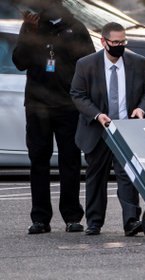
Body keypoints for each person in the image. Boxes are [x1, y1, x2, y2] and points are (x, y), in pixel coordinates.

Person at [12, 0, 95, 234]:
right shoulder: (32, 26)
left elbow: (88, 62)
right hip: (38, 107)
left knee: (69, 161)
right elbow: (19, 61)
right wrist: (29, 31)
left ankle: (72, 216)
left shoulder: (75, 27)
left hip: (68, 106)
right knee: (39, 160)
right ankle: (40, 218)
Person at [70, 22, 145, 236]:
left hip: (126, 129)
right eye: (115, 42)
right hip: (98, 129)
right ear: (104, 42)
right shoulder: (86, 64)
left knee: (127, 175)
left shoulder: (137, 62)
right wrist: (97, 115)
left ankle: (131, 221)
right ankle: (95, 222)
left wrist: (141, 109)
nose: (120, 46)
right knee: (96, 176)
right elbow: (77, 94)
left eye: (123, 42)